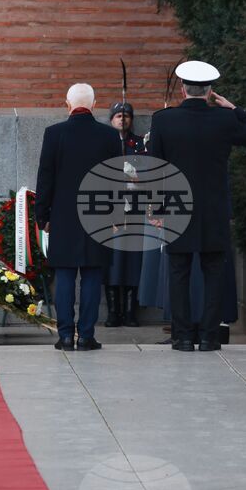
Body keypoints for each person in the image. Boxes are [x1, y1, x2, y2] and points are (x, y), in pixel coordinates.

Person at [148, 61, 246, 352]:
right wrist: (234, 108)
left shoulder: (163, 120)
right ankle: (210, 336)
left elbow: (154, 168)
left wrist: (157, 209)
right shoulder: (224, 120)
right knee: (214, 272)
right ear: (210, 91)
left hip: (176, 207)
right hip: (214, 209)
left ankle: (183, 336)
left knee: (179, 272)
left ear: (184, 90)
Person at [35, 84, 120, 351]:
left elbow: (45, 178)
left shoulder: (54, 134)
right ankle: (85, 336)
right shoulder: (109, 136)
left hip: (64, 216)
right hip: (99, 215)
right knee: (93, 275)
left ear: (67, 104)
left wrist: (42, 216)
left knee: (65, 275)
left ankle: (64, 336)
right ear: (94, 105)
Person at [103, 102, 146, 328]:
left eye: (126, 115)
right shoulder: (104, 140)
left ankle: (130, 312)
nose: (122, 119)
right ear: (111, 119)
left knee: (132, 260)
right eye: (118, 115)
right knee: (112, 261)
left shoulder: (139, 143)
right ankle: (113, 312)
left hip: (135, 206)